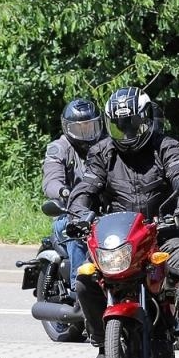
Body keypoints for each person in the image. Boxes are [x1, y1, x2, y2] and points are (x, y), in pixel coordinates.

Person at [67, 87, 179, 358]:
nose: (126, 131)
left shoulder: (166, 147)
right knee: (85, 279)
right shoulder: (102, 153)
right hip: (122, 239)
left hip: (164, 234)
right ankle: (102, 348)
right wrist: (79, 212)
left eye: (132, 124)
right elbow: (86, 188)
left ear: (146, 119)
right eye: (119, 126)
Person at [43, 97, 106, 280]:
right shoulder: (60, 148)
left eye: (90, 126)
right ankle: (80, 287)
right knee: (76, 232)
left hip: (104, 213)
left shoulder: (106, 145)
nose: (86, 132)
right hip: (70, 213)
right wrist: (64, 192)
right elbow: (51, 181)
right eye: (80, 127)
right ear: (68, 127)